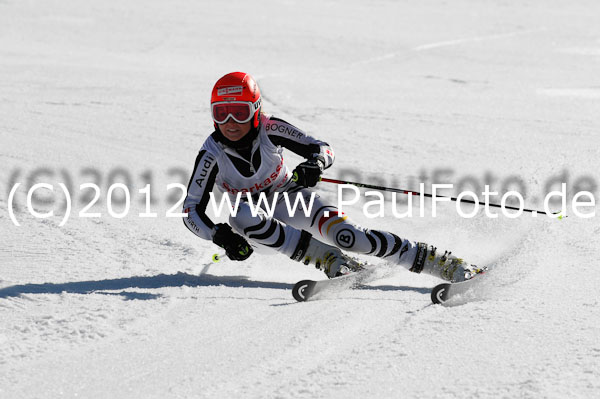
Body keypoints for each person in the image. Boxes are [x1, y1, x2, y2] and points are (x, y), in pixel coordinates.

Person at [183, 72, 482, 282]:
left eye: (239, 111)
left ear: (256, 111)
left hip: (289, 199)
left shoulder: (270, 128)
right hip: (254, 229)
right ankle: (326, 258)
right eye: (221, 113)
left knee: (348, 236)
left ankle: (436, 261)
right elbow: (190, 210)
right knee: (244, 211)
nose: (230, 122)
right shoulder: (211, 154)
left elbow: (322, 148)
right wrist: (219, 236)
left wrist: (315, 164)